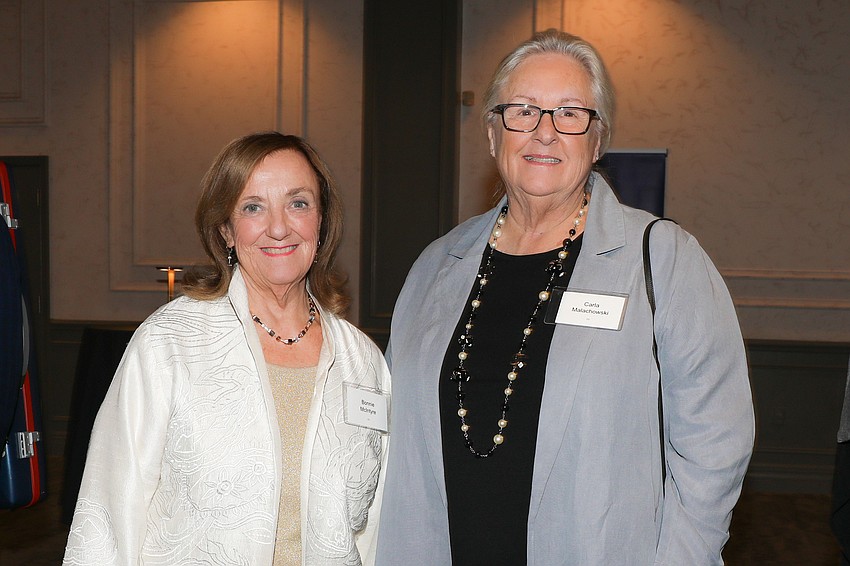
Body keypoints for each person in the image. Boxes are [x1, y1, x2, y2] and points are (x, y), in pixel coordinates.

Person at [375, 29, 754, 565]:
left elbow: (715, 444)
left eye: (570, 113)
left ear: (597, 141)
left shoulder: (664, 259)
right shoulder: (437, 266)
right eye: (523, 111)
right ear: (493, 134)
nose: (545, 132)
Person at [63, 132, 391, 565]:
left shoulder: (362, 362)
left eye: (298, 203)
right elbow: (107, 511)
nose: (279, 227)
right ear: (225, 231)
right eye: (253, 207)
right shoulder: (169, 344)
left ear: (322, 221)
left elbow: (376, 528)